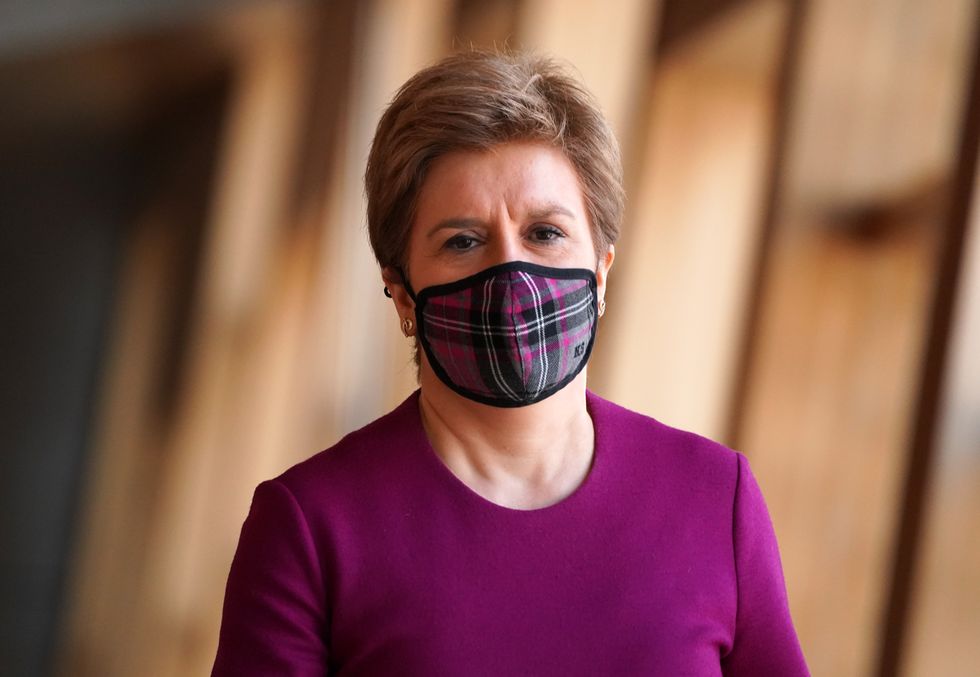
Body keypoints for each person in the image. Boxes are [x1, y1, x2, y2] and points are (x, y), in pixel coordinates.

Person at [212, 50, 810, 676]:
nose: (510, 275)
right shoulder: (310, 528)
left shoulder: (714, 500)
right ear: (398, 288)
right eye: (463, 241)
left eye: (546, 233)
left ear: (602, 270)